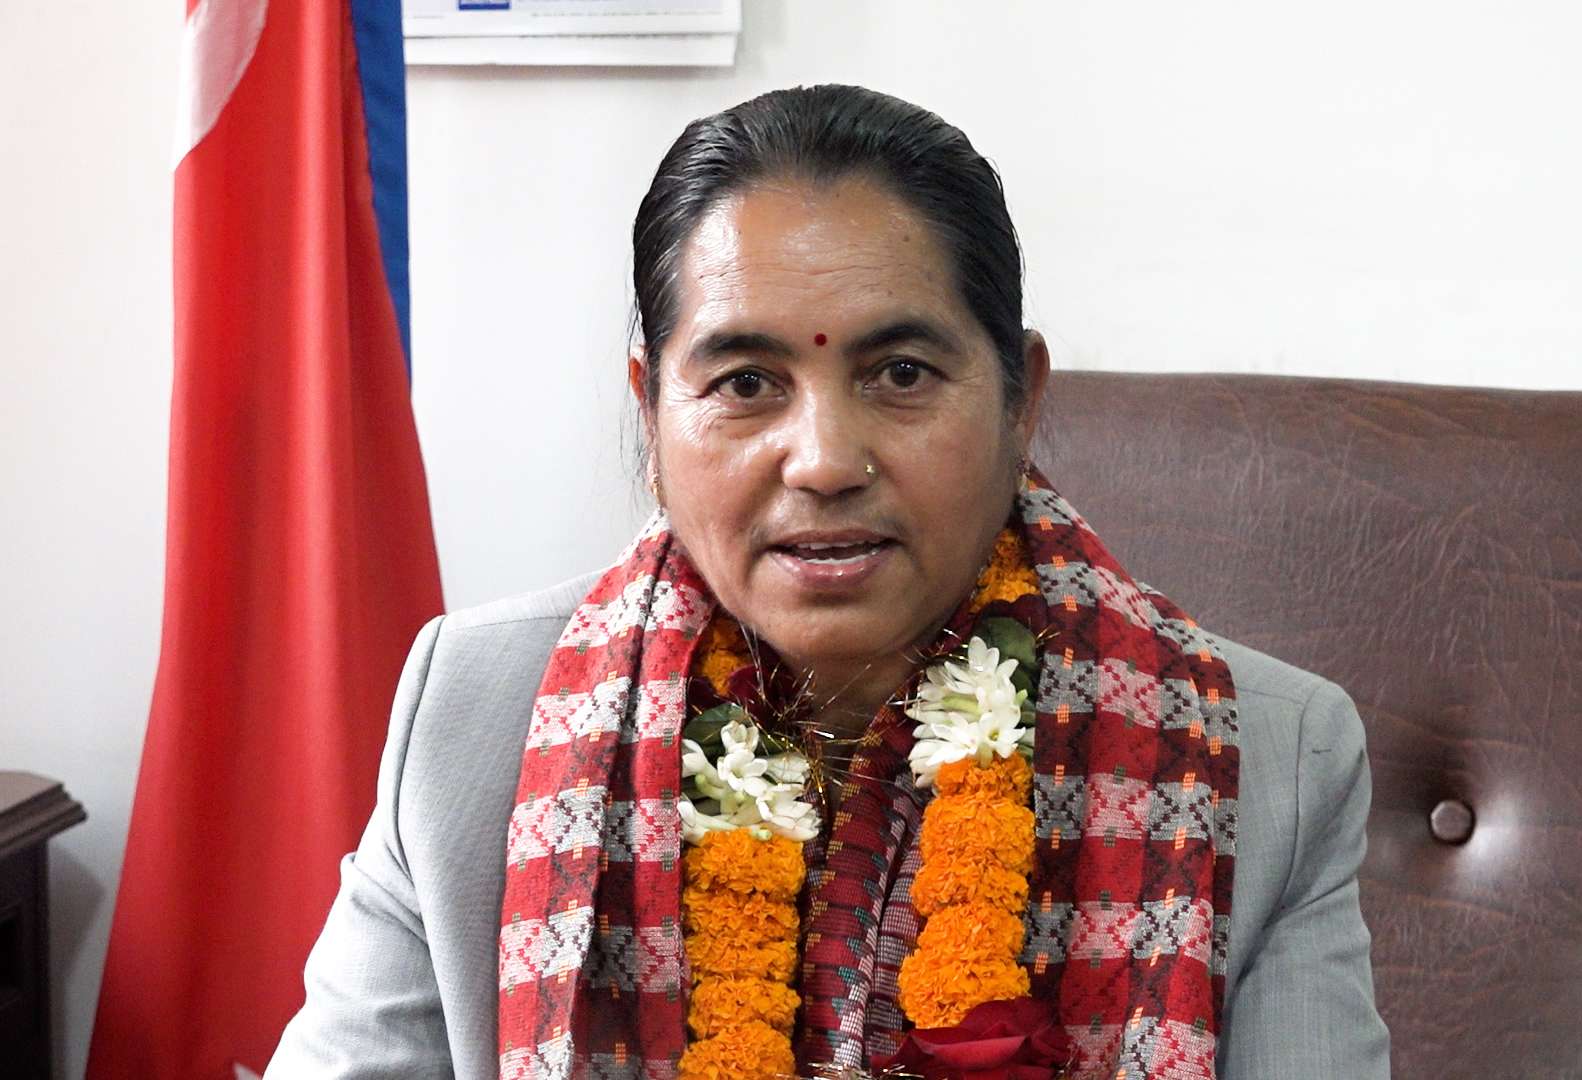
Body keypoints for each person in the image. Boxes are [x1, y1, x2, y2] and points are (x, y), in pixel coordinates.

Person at [266, 84, 1389, 1079]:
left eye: (899, 373)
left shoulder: (1262, 756)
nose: (823, 461)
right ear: (651, 413)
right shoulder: (475, 717)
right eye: (746, 382)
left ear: (1021, 402)